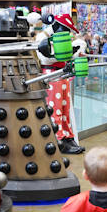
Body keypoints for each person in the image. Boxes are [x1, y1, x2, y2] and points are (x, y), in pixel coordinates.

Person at [36, 14, 85, 154]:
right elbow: (45, 58)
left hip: (61, 74)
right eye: (65, 28)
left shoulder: (57, 37)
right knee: (55, 108)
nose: (67, 32)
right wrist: (66, 54)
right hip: (51, 74)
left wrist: (73, 53)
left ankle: (68, 136)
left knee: (65, 109)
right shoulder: (42, 38)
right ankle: (59, 138)